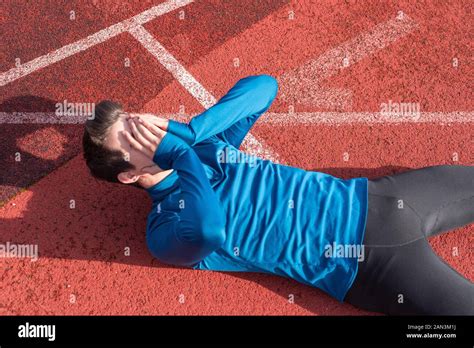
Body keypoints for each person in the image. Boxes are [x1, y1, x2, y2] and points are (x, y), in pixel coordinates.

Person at [82, 75, 474, 315]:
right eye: (134, 138)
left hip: (377, 198)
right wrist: (181, 154)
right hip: (371, 265)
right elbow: (208, 229)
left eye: (136, 121)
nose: (148, 130)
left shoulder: (201, 144)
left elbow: (263, 87)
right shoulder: (164, 229)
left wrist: (193, 131)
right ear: (130, 176)